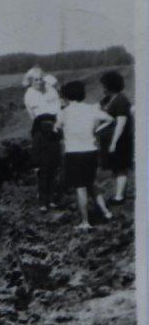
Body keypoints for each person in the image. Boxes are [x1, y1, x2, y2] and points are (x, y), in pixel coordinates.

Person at [55, 80, 114, 230]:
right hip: (91, 151)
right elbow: (110, 120)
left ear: (67, 96)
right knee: (92, 183)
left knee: (80, 187)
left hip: (74, 153)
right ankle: (106, 212)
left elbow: (56, 128)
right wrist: (96, 130)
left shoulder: (64, 112)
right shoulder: (91, 109)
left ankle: (85, 222)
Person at [23, 66, 62, 212]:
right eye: (36, 80)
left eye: (41, 79)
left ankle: (51, 197)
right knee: (42, 166)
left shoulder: (50, 90)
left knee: (54, 164)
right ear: (30, 81)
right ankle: (42, 200)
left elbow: (58, 107)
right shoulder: (29, 95)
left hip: (55, 128)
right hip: (40, 130)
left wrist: (57, 126)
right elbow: (34, 116)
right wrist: (43, 129)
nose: (39, 82)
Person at [98, 70, 133, 205]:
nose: (102, 88)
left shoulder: (121, 100)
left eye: (104, 86)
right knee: (115, 167)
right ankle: (119, 193)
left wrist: (114, 142)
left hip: (120, 139)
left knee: (121, 167)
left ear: (110, 86)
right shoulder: (107, 99)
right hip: (109, 139)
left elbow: (121, 123)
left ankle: (119, 196)